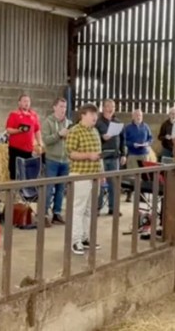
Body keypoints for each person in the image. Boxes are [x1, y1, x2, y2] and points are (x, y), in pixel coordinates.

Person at [66, 103, 103, 255]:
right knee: (78, 209)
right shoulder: (74, 131)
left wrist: (102, 173)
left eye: (96, 115)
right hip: (80, 175)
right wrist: (88, 156)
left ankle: (86, 237)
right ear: (83, 115)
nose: (95, 117)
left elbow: (99, 154)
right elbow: (71, 153)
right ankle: (75, 241)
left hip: (95, 176)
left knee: (90, 209)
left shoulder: (95, 131)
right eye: (92, 114)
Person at [41, 97, 70, 224]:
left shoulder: (69, 123)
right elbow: (46, 140)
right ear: (54, 107)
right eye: (61, 107)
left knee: (61, 188)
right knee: (49, 187)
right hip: (52, 159)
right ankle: (44, 213)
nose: (63, 109)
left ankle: (57, 212)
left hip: (65, 160)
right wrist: (59, 134)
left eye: (65, 107)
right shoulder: (48, 122)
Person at [95, 99, 126, 216]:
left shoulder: (118, 122)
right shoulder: (98, 123)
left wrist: (123, 154)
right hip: (101, 158)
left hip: (114, 158)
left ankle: (113, 208)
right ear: (103, 108)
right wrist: (103, 138)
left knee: (114, 184)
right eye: (108, 106)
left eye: (113, 106)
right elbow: (95, 139)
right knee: (100, 184)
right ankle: (97, 208)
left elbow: (123, 139)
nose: (110, 109)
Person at [5, 94, 42, 180]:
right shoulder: (14, 114)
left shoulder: (34, 115)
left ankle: (25, 191)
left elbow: (37, 130)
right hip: (16, 149)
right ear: (19, 103)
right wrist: (19, 130)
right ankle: (14, 190)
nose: (27, 103)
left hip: (29, 149)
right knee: (15, 171)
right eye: (24, 101)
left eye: (28, 101)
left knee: (27, 173)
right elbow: (8, 130)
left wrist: (40, 143)